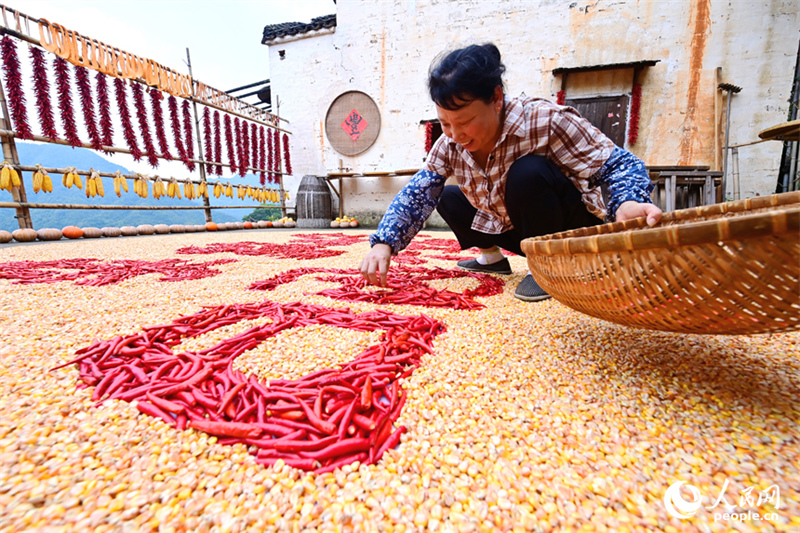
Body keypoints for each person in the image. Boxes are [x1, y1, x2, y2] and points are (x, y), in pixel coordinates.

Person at [359, 43, 662, 301]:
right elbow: (417, 193)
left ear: (496, 98)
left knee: (527, 172)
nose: (454, 134)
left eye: (464, 122)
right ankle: (491, 259)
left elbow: (617, 163)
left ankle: (549, 269)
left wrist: (626, 201)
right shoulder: (449, 145)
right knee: (446, 195)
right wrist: (385, 242)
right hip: (519, 226)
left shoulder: (543, 120)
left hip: (567, 226)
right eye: (446, 123)